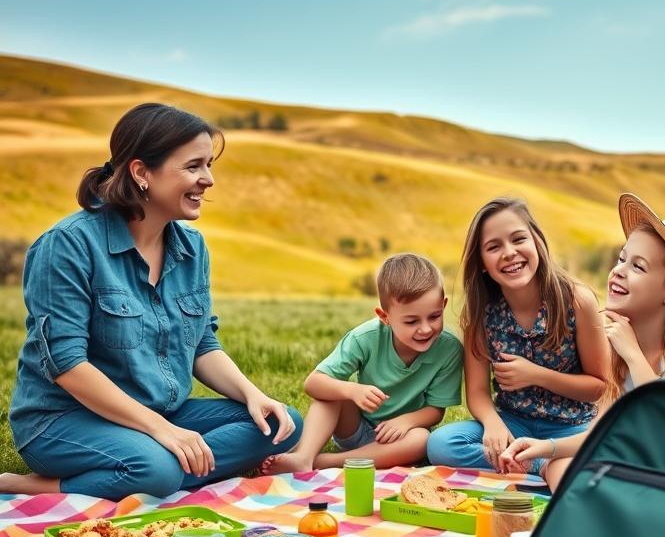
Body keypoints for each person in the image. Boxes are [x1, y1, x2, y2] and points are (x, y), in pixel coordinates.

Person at [0, 103, 302, 500]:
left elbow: (203, 345)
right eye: (194, 166)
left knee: (282, 422)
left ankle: (159, 468)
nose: (208, 180)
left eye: (209, 166)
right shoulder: (67, 245)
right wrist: (161, 430)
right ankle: (42, 486)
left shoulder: (192, 248)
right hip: (64, 420)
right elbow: (67, 366)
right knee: (155, 469)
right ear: (142, 173)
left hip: (159, 413)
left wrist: (252, 395)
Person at [500, 195, 665, 489]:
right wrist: (546, 448)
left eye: (639, 267)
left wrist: (633, 354)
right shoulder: (617, 349)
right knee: (559, 465)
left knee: (578, 474)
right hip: (637, 463)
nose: (619, 270)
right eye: (622, 259)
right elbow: (603, 431)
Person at [426, 197, 609, 475]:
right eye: (493, 247)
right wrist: (493, 424)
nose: (509, 253)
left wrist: (536, 375)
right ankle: (539, 466)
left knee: (605, 448)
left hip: (572, 426)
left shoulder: (577, 301)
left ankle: (546, 460)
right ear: (483, 262)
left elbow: (600, 386)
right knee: (441, 444)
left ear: (537, 242)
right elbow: (476, 392)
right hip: (512, 423)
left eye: (518, 239)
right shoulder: (481, 313)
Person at [262, 253, 464, 473]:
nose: (425, 329)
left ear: (443, 306)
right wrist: (352, 391)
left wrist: (405, 421)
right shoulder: (365, 337)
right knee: (330, 390)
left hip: (400, 439)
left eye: (434, 317)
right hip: (355, 428)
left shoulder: (449, 348)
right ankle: (304, 456)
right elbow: (313, 383)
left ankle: (326, 462)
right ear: (384, 316)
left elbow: (436, 410)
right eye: (411, 321)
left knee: (423, 439)